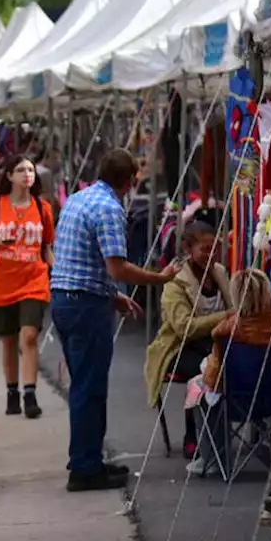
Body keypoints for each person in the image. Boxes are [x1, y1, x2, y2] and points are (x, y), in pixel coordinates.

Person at [51, 148, 179, 492]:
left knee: (84, 385)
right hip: (84, 306)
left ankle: (87, 456)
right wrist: (161, 278)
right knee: (90, 388)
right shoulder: (109, 209)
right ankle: (84, 467)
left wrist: (112, 295)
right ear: (130, 181)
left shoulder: (79, 199)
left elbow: (80, 260)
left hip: (65, 299)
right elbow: (117, 267)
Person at [144, 220, 235, 459]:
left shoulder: (221, 273)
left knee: (230, 362)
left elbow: (233, 311)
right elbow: (185, 328)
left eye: (215, 248)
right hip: (179, 348)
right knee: (204, 369)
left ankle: (218, 432)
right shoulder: (174, 281)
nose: (211, 254)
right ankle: (192, 435)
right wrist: (224, 317)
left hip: (213, 344)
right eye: (205, 249)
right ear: (188, 249)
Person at [0, 155, 55, 419]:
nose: (27, 174)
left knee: (29, 336)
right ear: (9, 176)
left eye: (30, 169)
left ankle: (30, 393)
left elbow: (47, 247)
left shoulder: (43, 209)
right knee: (8, 340)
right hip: (2, 283)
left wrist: (58, 273)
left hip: (35, 280)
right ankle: (12, 392)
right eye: (20, 170)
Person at [186, 268, 271, 476]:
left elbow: (214, 377)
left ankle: (213, 459)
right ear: (268, 293)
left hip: (236, 402)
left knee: (199, 386)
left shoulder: (226, 331)